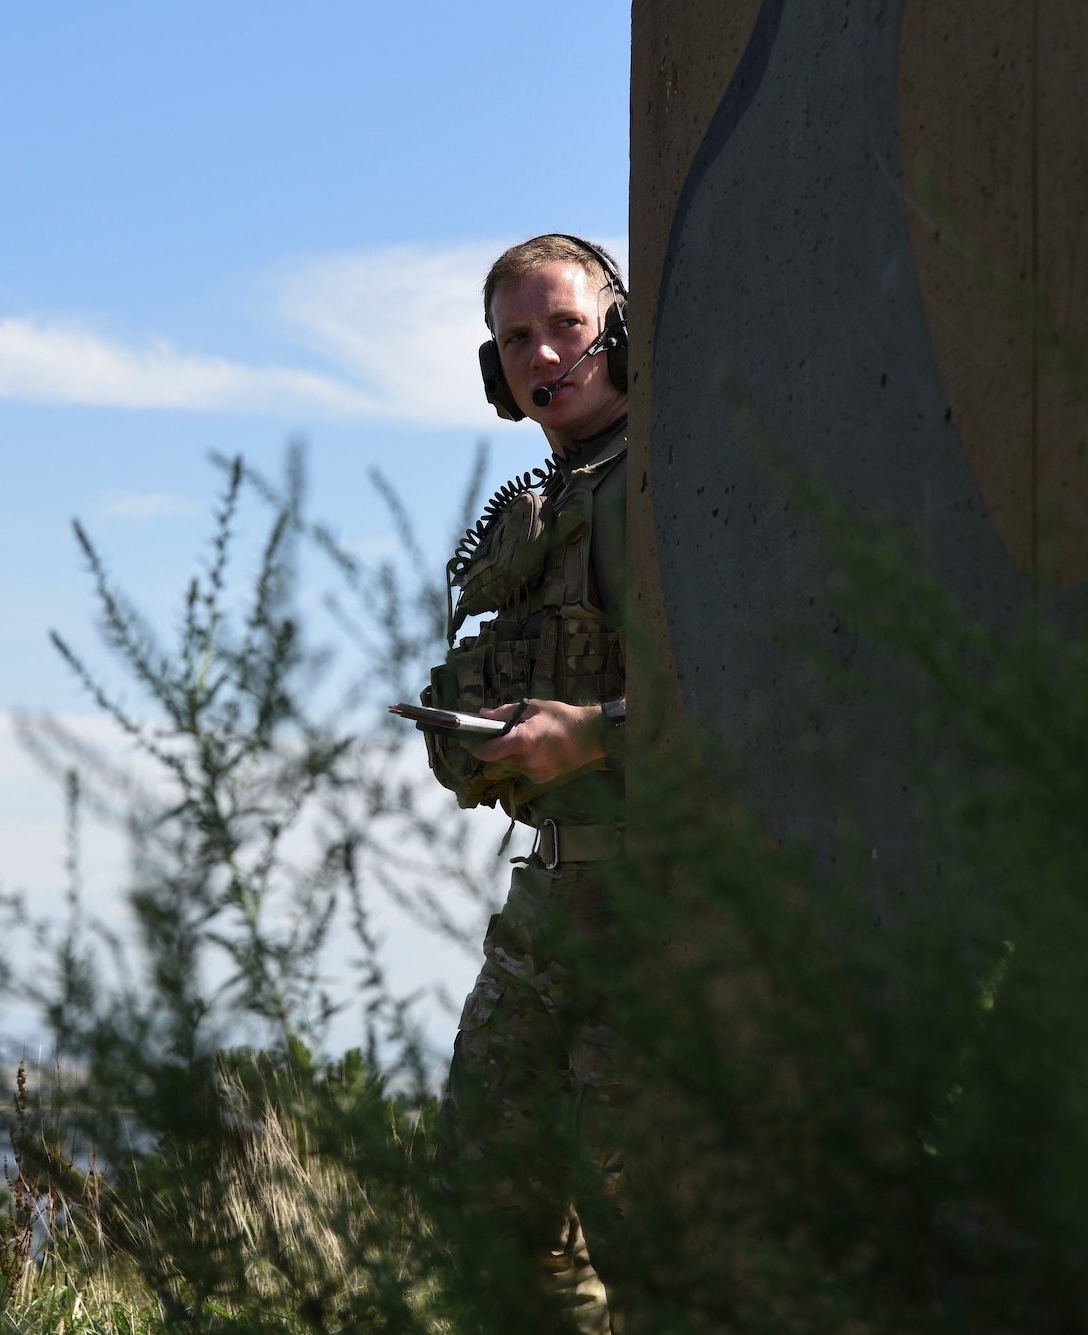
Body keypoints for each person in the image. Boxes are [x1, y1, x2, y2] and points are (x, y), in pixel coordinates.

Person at [417, 234, 636, 1334]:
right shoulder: (543, 505)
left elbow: (770, 694)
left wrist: (590, 737)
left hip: (665, 913)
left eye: (563, 323)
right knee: (491, 1215)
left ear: (619, 330)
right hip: (550, 901)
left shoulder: (677, 481)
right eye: (515, 338)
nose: (543, 352)